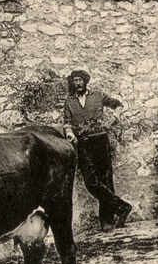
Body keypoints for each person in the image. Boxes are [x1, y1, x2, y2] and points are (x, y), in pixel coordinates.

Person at [56, 69, 132, 232]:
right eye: (75, 81)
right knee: (91, 183)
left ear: (85, 81)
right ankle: (122, 206)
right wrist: (69, 134)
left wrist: (113, 120)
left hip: (100, 140)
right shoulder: (69, 101)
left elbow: (117, 105)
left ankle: (107, 220)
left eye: (80, 80)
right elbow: (67, 122)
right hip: (82, 143)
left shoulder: (98, 96)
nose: (77, 83)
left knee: (106, 180)